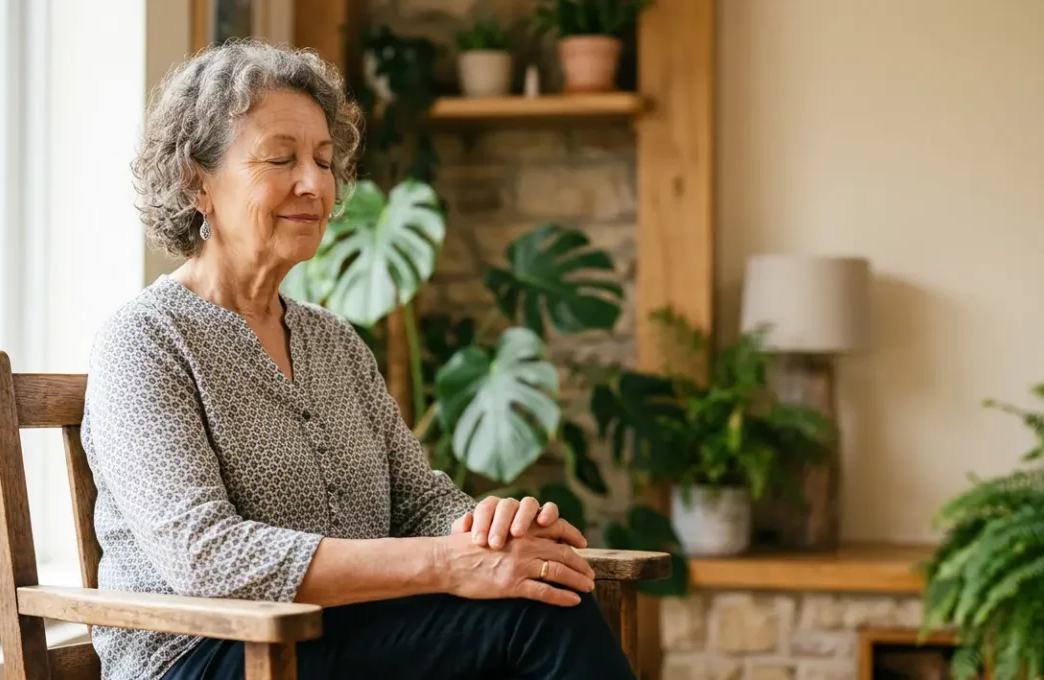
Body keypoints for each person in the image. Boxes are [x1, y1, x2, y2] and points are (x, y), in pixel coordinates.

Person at [81, 39, 635, 680]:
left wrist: (491, 532)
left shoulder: (335, 342)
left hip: (344, 636)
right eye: (280, 158)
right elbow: (207, 557)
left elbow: (419, 503)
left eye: (323, 159)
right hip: (204, 655)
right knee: (535, 615)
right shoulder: (146, 339)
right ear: (194, 181)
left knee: (544, 589)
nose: (315, 183)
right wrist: (452, 564)